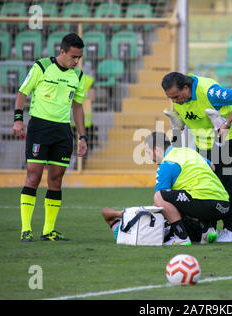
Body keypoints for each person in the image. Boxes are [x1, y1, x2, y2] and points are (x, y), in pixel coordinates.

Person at [13, 33, 87, 242]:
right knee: (34, 176)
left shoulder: (78, 76)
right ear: (61, 52)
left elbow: (78, 106)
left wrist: (83, 137)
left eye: (79, 58)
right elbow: (22, 93)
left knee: (56, 180)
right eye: (73, 56)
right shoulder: (42, 66)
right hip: (39, 127)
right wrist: (18, 120)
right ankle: (26, 229)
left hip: (63, 131)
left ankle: (48, 231)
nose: (76, 61)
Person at [161, 72, 232, 242]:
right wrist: (178, 124)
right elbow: (184, 119)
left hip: (228, 139)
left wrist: (227, 123)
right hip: (204, 144)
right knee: (206, 185)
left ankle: (228, 230)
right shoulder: (178, 98)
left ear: (186, 88)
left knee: (229, 184)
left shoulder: (210, 92)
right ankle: (208, 227)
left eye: (177, 96)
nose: (175, 101)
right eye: (171, 98)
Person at [144, 131, 231, 246]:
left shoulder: (166, 164)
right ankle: (207, 228)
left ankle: (181, 237)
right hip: (224, 205)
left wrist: (142, 215)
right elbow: (212, 167)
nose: (150, 157)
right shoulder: (188, 151)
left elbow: (160, 203)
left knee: (160, 197)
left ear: (156, 149)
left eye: (148, 153)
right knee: (183, 196)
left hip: (204, 202)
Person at [101, 208, 203, 243]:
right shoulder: (121, 231)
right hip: (180, 228)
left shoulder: (122, 230)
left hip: (177, 228)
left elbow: (105, 213)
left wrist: (120, 214)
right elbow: (105, 213)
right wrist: (120, 214)